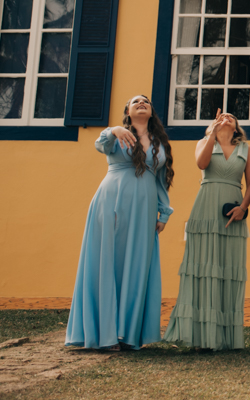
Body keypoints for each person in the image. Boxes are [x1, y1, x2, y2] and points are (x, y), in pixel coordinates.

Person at [66, 95, 174, 350]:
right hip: (111, 203)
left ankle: (127, 333)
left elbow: (160, 182)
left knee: (136, 264)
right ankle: (105, 334)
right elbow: (99, 144)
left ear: (151, 111)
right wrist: (113, 130)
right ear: (127, 110)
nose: (141, 102)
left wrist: (164, 213)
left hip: (144, 210)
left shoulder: (159, 143)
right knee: (108, 261)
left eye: (146, 100)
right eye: (135, 101)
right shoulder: (116, 136)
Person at [164, 110, 250, 350]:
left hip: (232, 209)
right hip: (206, 206)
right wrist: (212, 134)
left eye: (231, 117)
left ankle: (224, 338)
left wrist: (243, 208)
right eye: (221, 116)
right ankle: (198, 335)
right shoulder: (204, 142)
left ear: (237, 127)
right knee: (203, 267)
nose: (226, 118)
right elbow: (202, 164)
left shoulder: (246, 149)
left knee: (228, 266)